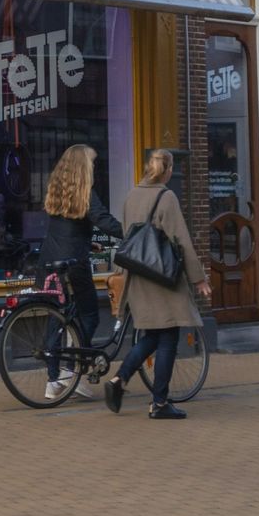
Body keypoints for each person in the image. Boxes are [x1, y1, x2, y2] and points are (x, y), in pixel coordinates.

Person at [104, 149, 211, 421]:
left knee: (152, 336)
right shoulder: (167, 197)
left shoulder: (130, 196)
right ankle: (160, 403)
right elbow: (181, 240)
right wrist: (198, 278)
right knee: (168, 339)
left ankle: (119, 379)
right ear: (167, 170)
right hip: (163, 277)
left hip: (138, 277)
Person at [40, 143, 122, 402]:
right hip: (74, 262)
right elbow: (104, 221)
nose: (95, 167)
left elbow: (68, 225)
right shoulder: (85, 190)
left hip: (50, 258)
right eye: (93, 163)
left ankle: (53, 381)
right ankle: (71, 371)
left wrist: (89, 242)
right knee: (89, 315)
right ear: (84, 167)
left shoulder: (56, 186)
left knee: (57, 317)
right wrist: (134, 231)